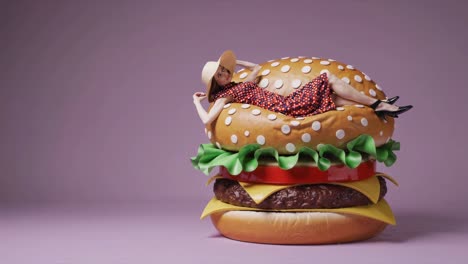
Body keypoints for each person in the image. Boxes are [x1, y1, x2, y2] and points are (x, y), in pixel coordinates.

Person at [193, 50, 412, 125]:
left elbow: (258, 68)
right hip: (287, 108)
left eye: (224, 69)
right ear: (215, 83)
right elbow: (206, 120)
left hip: (288, 103)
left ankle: (377, 108)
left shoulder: (239, 84)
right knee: (326, 76)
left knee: (334, 100)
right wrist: (197, 101)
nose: (225, 73)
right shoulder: (226, 96)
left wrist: (236, 62)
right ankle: (378, 104)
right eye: (220, 74)